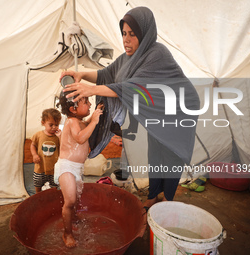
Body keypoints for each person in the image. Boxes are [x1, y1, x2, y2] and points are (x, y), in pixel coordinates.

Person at [61, 7, 200, 213]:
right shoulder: (129, 56)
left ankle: (167, 201)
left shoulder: (156, 54)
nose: (126, 40)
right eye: (124, 33)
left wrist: (90, 90)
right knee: (154, 152)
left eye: (132, 34)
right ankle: (153, 196)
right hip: (157, 111)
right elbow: (107, 74)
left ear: (144, 34)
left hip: (178, 109)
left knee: (170, 156)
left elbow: (132, 87)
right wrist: (81, 75)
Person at [54, 92, 103, 248]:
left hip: (77, 168)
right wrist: (94, 121)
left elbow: (86, 126)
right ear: (73, 109)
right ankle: (67, 233)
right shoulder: (71, 121)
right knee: (70, 200)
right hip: (66, 166)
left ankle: (72, 218)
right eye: (86, 102)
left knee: (75, 199)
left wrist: (94, 116)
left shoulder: (80, 121)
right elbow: (81, 138)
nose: (89, 104)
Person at [30, 108, 62, 193]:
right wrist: (34, 155)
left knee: (54, 185)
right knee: (38, 183)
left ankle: (51, 198)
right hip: (40, 167)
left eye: (56, 125)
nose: (54, 127)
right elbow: (33, 145)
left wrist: (60, 137)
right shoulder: (38, 135)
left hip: (54, 168)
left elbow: (63, 147)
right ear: (43, 123)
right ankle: (37, 196)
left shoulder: (58, 136)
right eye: (51, 125)